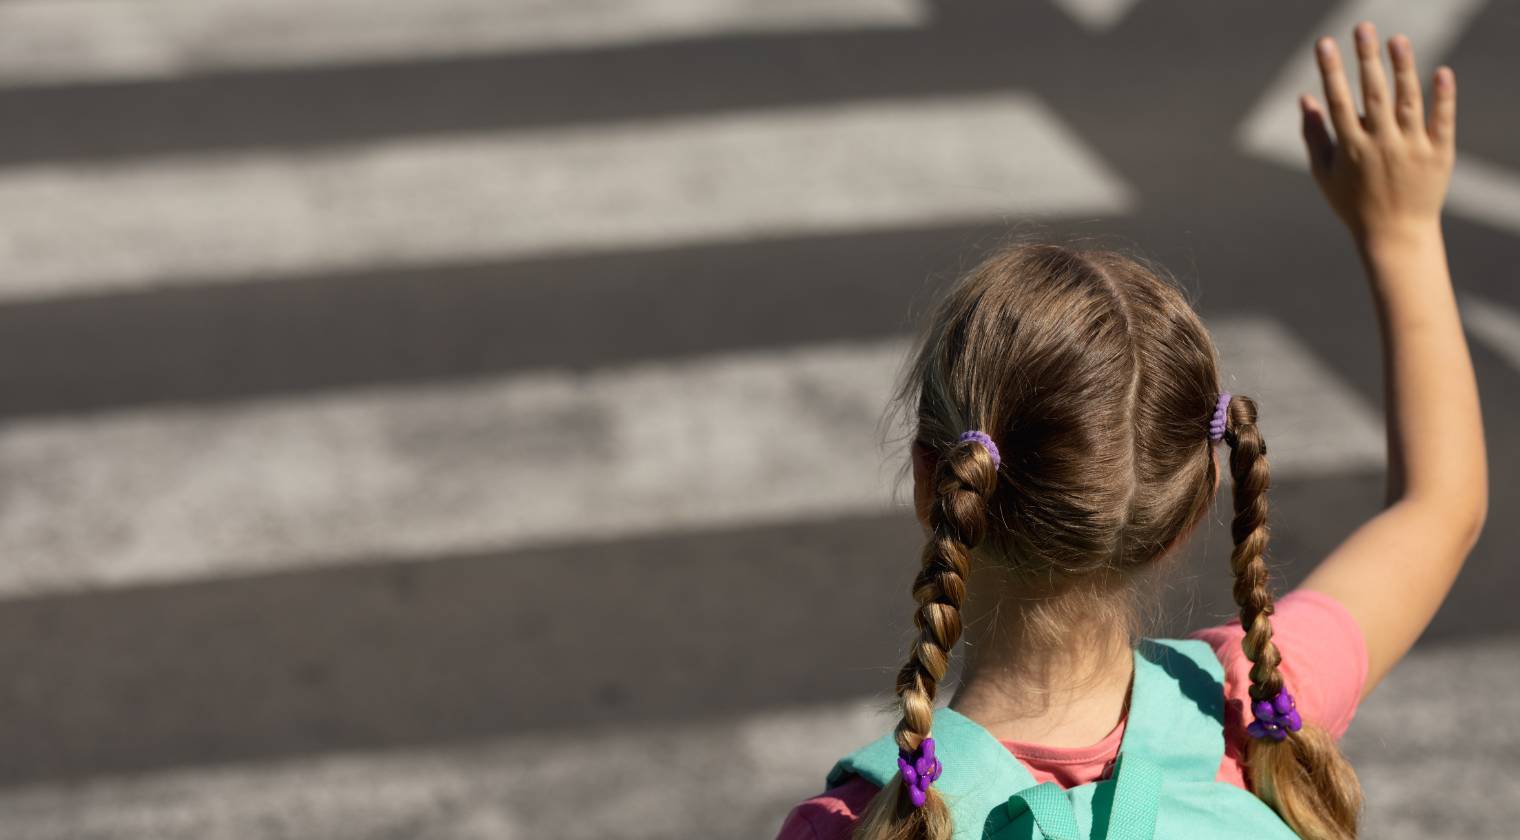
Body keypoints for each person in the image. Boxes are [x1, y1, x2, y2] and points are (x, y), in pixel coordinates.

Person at [776, 22, 1485, 840]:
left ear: (935, 483)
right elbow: (1442, 507)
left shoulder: (856, 824)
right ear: (1198, 499)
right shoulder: (1248, 712)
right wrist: (1401, 232)